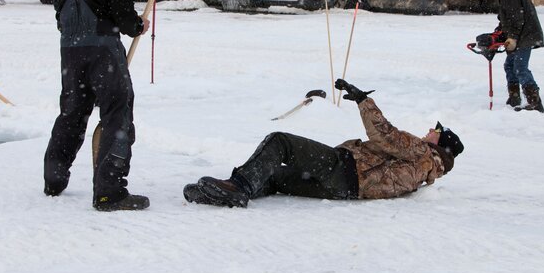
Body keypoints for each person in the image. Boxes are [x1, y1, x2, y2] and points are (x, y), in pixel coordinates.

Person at [183, 79, 464, 208]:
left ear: (441, 144)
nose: (429, 130)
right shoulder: (425, 171)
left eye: (436, 130)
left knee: (280, 142)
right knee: (277, 177)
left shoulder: (422, 152)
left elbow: (385, 134)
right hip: (346, 190)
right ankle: (222, 196)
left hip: (345, 169)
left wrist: (363, 100)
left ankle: (238, 188)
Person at [44, 0, 150, 211]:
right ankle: (109, 192)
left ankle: (53, 179)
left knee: (72, 112)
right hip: (103, 51)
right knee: (117, 111)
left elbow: (58, 12)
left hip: (70, 52)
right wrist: (138, 25)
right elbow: (124, 14)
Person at [484, 0, 544, 112]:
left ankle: (535, 102)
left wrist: (512, 37)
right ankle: (514, 98)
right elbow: (506, 20)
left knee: (520, 67)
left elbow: (516, 17)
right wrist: (497, 34)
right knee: (510, 65)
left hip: (525, 35)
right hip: (520, 34)